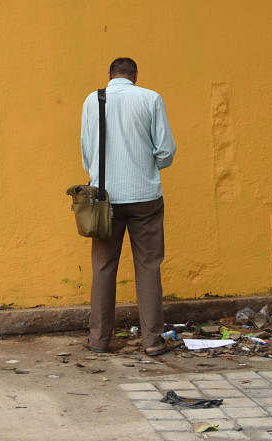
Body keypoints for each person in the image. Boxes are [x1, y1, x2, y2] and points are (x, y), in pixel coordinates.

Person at [80, 57, 176, 356]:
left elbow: (87, 149)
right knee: (148, 267)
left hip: (104, 199)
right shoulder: (151, 98)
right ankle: (152, 341)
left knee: (103, 267)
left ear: (110, 76)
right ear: (135, 76)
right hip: (145, 196)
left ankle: (98, 340)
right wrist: (148, 168)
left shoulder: (92, 100)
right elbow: (166, 150)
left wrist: (98, 174)